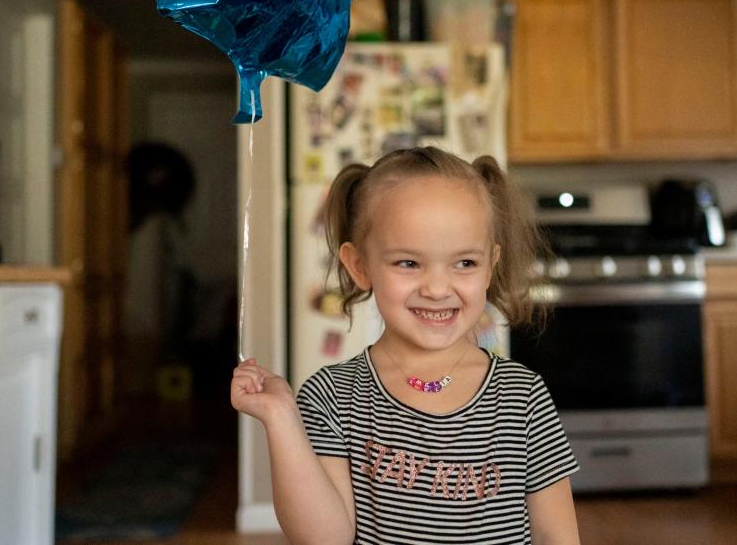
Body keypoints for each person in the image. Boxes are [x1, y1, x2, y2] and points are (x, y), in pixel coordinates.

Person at [231, 147, 581, 544]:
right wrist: (281, 418)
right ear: (359, 265)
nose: (436, 288)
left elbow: (558, 536)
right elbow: (324, 539)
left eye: (464, 263)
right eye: (408, 263)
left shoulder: (523, 396)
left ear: (490, 265)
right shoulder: (332, 397)